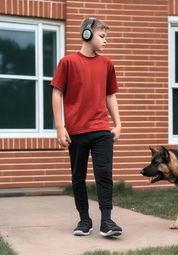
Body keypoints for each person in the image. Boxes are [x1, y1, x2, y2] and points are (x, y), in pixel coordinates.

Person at [51, 17, 122, 237]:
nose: (105, 41)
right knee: (78, 177)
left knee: (104, 173)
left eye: (106, 37)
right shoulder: (68, 62)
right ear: (87, 34)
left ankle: (107, 221)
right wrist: (60, 127)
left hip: (101, 129)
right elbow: (57, 93)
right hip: (77, 131)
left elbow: (110, 95)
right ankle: (84, 220)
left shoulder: (107, 64)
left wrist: (118, 124)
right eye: (102, 36)